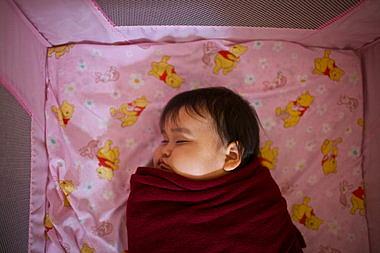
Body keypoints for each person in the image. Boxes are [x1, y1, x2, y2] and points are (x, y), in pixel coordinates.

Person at [127, 87, 306, 253]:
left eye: (180, 141)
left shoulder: (257, 197)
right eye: (164, 140)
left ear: (231, 156)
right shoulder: (153, 195)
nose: (164, 150)